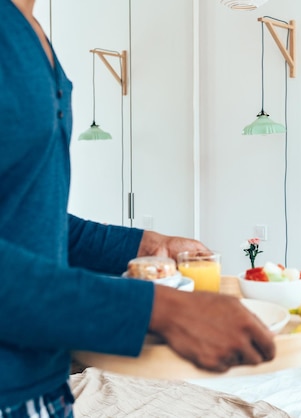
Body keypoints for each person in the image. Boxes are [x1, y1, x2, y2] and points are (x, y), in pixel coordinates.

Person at [0, 0, 276, 416]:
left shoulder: (30, 27)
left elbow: (30, 223)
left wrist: (144, 244)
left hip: (42, 386)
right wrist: (154, 308)